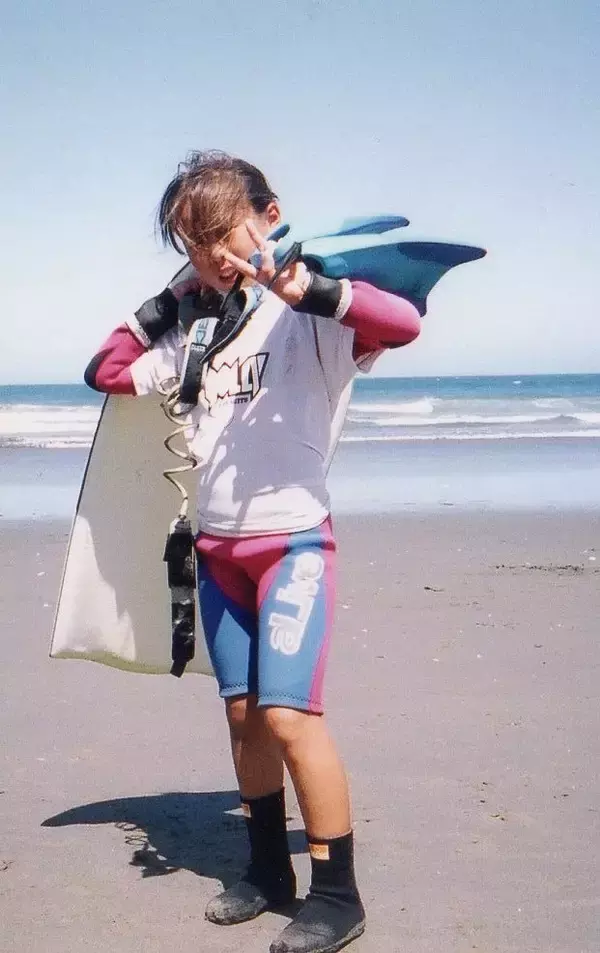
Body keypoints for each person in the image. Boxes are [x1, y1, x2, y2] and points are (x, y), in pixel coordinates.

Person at [85, 150, 421, 953]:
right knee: (243, 715)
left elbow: (402, 324)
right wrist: (171, 301)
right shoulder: (197, 332)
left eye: (218, 232)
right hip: (219, 555)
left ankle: (337, 893)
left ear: (270, 217)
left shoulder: (310, 316)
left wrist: (311, 288)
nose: (208, 253)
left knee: (290, 717)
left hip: (292, 545)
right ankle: (268, 869)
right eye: (190, 243)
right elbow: (106, 368)